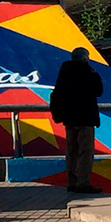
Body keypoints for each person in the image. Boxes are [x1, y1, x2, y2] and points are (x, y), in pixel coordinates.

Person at [51, 47, 103, 194]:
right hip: (85, 118)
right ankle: (83, 183)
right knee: (85, 151)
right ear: (85, 58)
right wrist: (94, 73)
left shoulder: (64, 72)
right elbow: (98, 90)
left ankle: (71, 182)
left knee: (71, 151)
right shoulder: (87, 72)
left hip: (69, 118)